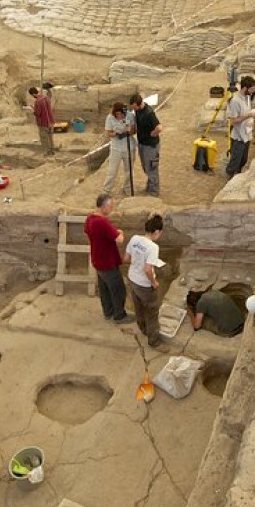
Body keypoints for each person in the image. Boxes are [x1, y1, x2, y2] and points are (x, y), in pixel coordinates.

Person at [83, 194, 133, 323]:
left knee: (104, 288)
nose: (112, 209)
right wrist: (120, 232)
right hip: (107, 261)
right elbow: (119, 240)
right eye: (111, 206)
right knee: (118, 289)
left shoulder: (90, 218)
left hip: (97, 259)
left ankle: (108, 312)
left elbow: (95, 234)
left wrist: (112, 232)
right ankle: (119, 316)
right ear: (104, 207)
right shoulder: (102, 222)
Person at [124, 214, 166, 347]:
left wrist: (137, 261)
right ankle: (154, 341)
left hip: (132, 279)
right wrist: (154, 283)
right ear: (157, 232)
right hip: (144, 285)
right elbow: (148, 269)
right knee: (152, 311)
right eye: (160, 233)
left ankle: (143, 329)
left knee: (139, 308)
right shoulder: (153, 247)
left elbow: (126, 259)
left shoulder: (135, 238)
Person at [129, 94, 163, 196]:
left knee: (152, 168)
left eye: (134, 107)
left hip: (150, 146)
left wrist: (153, 133)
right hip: (142, 144)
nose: (133, 109)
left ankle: (154, 192)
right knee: (146, 167)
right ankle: (149, 187)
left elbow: (159, 127)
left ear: (139, 105)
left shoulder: (149, 113)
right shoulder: (138, 110)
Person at [226, 75, 255, 179]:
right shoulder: (235, 101)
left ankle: (238, 175)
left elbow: (246, 112)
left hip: (247, 133)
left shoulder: (247, 97)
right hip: (239, 135)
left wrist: (251, 119)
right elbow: (234, 121)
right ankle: (229, 175)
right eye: (251, 89)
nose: (252, 92)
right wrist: (248, 116)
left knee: (243, 159)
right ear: (245, 88)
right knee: (235, 159)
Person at [103, 102, 136, 195]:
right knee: (112, 170)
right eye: (117, 114)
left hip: (129, 147)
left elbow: (134, 130)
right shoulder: (110, 117)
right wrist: (115, 134)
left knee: (129, 170)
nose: (119, 116)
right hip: (116, 148)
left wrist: (129, 130)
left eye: (121, 114)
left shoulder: (130, 115)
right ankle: (107, 190)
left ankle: (127, 187)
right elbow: (108, 133)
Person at [27, 86, 55, 156]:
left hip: (43, 123)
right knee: (50, 137)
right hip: (51, 121)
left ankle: (48, 153)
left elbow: (38, 114)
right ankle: (52, 151)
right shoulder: (46, 98)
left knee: (44, 139)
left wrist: (32, 109)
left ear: (33, 94)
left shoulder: (37, 101)